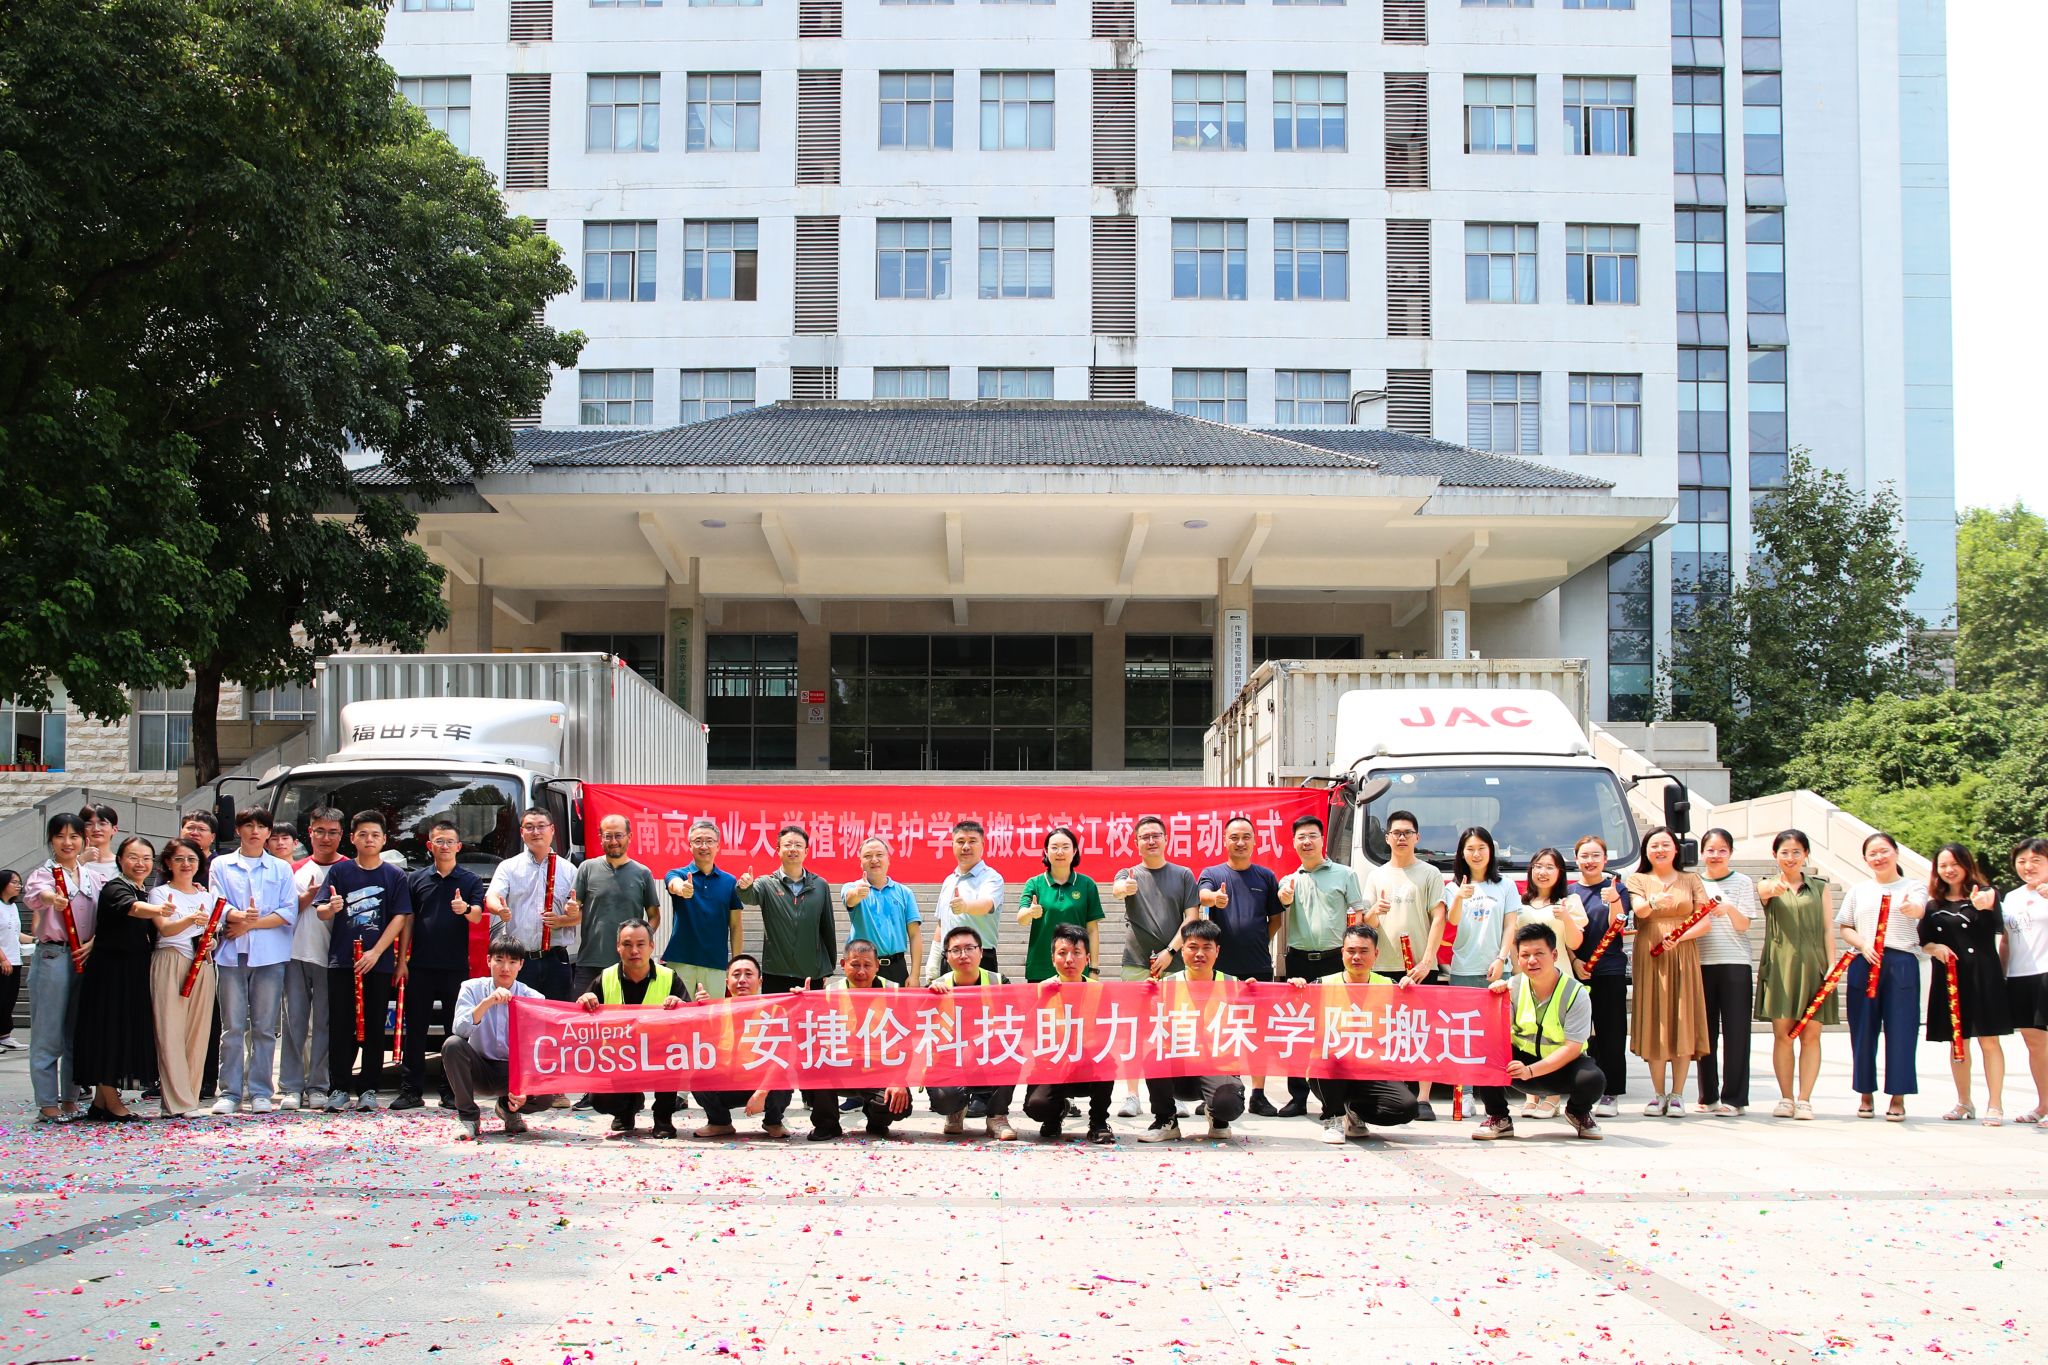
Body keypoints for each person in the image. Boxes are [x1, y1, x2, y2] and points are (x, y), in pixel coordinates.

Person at [1471, 923, 1607, 1142]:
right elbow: (1494, 1034)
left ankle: (1578, 1112)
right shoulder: (1512, 987)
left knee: (1592, 1078)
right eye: (1525, 955)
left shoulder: (1576, 992)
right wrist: (1495, 1002)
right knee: (1485, 1056)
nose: (1531, 960)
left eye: (1539, 954)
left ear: (1554, 955)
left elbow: (1573, 1048)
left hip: (1561, 1068)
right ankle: (1498, 1117)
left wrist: (1531, 1071)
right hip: (1519, 1065)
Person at [1269, 813, 1366, 1118]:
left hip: (1335, 960)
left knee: (1336, 1029)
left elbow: (1358, 915)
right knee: (1298, 1029)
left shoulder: (1345, 874)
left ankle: (1334, 1100)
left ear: (1322, 839)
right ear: (1293, 843)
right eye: (1301, 837)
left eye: (1312, 835)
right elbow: (1282, 900)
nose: (1307, 841)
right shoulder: (1290, 879)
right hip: (1299, 961)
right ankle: (1297, 1097)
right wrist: (1284, 895)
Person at [206, 808, 299, 1117]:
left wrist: (248, 925)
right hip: (231, 955)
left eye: (261, 826)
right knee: (232, 1026)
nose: (255, 831)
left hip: (270, 955)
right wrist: (237, 917)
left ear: (269, 832)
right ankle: (230, 1092)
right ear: (238, 830)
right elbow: (218, 904)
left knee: (264, 1027)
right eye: (248, 825)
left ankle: (260, 1091)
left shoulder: (281, 868)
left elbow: (287, 911)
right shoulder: (221, 864)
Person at [1106, 815, 1201, 1116]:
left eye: (1156, 835)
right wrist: (1124, 887)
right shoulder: (1129, 873)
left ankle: (1177, 1095)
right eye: (1144, 837)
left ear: (1166, 839)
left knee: (1174, 1028)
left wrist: (1170, 951)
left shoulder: (1183, 875)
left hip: (1174, 964)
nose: (1151, 841)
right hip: (1136, 962)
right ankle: (1132, 1095)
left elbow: (1192, 918)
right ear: (1136, 843)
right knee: (1134, 1029)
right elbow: (1117, 888)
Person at [322, 810, 414, 1112]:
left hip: (379, 963)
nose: (369, 839)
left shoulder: (394, 876)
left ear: (384, 839)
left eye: (375, 835)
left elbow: (400, 917)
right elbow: (321, 910)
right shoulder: (339, 872)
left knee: (375, 1027)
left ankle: (369, 1088)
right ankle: (338, 1088)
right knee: (340, 1026)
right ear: (352, 838)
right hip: (342, 962)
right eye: (363, 834)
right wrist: (331, 908)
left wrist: (377, 952)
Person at [1835, 830, 1928, 1121]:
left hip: (1901, 962)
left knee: (1902, 1030)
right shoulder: (1858, 890)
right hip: (1865, 960)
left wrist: (1911, 908)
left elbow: (1920, 909)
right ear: (1865, 859)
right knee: (1863, 1029)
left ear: (1896, 853)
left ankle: (1898, 1096)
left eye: (1884, 851)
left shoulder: (1913, 886)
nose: (1878, 857)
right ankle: (1865, 1093)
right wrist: (1863, 944)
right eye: (1872, 854)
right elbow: (1845, 927)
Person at [1361, 809, 1447, 1117]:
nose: (1401, 837)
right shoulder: (1376, 875)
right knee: (1386, 1032)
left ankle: (1423, 1097)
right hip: (1384, 966)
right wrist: (1375, 911)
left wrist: (1427, 960)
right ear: (1386, 838)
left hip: (1420, 968)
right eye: (1396, 833)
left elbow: (1439, 917)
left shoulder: (1430, 873)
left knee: (1423, 1031)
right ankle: (1392, 1091)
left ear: (1417, 837)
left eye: (1407, 833)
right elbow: (1366, 923)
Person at [399, 818, 489, 1110]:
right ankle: (410, 1090)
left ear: (459, 846)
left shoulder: (470, 880)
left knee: (455, 1031)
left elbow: (477, 915)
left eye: (450, 841)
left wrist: (465, 909)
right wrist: (402, 960)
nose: (445, 846)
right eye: (440, 841)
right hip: (420, 965)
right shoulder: (415, 879)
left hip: (455, 968)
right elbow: (408, 921)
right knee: (415, 1029)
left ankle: (450, 1091)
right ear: (430, 845)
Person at [1920, 843, 2010, 1125]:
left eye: (1954, 864)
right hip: (1950, 980)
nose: (1949, 870)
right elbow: (1924, 941)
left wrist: (1984, 903)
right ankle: (1964, 1102)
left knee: (1989, 1040)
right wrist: (1935, 948)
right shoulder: (1933, 905)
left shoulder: (1984, 894)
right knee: (1957, 1042)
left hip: (1983, 976)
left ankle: (1995, 1104)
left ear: (1966, 865)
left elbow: (1993, 914)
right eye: (1943, 865)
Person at [73, 836, 162, 1121]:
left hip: (133, 971)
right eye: (133, 857)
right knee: (109, 1031)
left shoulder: (142, 890)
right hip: (111, 974)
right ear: (120, 860)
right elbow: (132, 909)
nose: (140, 863)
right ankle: (111, 1101)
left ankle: (101, 1102)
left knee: (122, 1031)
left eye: (146, 858)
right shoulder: (116, 888)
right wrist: (162, 909)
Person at [1623, 826, 1710, 1117]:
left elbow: (1704, 920)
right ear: (1646, 851)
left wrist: (1681, 937)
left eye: (1665, 844)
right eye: (1654, 845)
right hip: (1651, 953)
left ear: (1675, 848)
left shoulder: (1691, 879)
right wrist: (1654, 902)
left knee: (1682, 1017)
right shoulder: (1638, 879)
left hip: (1683, 953)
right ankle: (1658, 1093)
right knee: (1655, 1017)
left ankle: (1678, 1094)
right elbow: (1640, 911)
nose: (1659, 850)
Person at [1306, 923, 1420, 1143]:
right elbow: (1293, 1014)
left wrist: (1412, 993)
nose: (1356, 957)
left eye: (1363, 951)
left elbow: (1417, 1020)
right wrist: (1297, 988)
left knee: (1406, 1107)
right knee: (1329, 1055)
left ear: (1376, 954)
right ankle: (1333, 1117)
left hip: (1372, 1068)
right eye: (1351, 951)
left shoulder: (1390, 986)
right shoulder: (1322, 985)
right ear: (1342, 953)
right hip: (1331, 1069)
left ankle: (1353, 1110)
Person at [575, 918, 687, 1138]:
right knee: (600, 1099)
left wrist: (680, 1005)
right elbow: (581, 1019)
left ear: (651, 946)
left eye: (640, 944)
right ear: (618, 947)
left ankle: (663, 1118)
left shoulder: (669, 977)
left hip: (659, 1055)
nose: (634, 950)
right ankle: (627, 1110)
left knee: (673, 1059)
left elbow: (690, 1019)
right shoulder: (605, 978)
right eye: (627, 944)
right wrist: (584, 1000)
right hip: (619, 1057)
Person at [1751, 828, 1834, 1120]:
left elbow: (1828, 929)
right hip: (1781, 967)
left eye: (1796, 852)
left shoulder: (1820, 888)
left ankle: (1805, 1099)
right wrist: (1775, 889)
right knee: (1782, 1035)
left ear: (1806, 854)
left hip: (1814, 967)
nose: (1790, 857)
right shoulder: (1767, 885)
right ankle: (1786, 1098)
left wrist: (1832, 966)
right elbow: (1765, 893)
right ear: (1774, 855)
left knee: (1812, 1035)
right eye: (1784, 852)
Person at [1138, 919, 1246, 1142]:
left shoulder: (1234, 985)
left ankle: (1218, 1117)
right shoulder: (1165, 986)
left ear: (1217, 951)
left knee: (1227, 1105)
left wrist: (1295, 987)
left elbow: (1264, 1019)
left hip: (1217, 1067)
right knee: (1153, 1057)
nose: (1199, 954)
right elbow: (1145, 1027)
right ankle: (1166, 1120)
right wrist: (1144, 999)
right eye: (1193, 947)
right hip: (1179, 1070)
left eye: (1207, 948)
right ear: (1182, 950)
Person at [1441, 826, 1521, 1121]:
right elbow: (1452, 921)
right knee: (1463, 1033)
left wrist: (1501, 958)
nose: (1476, 854)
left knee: (1496, 1036)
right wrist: (1460, 897)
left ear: (1491, 851)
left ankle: (1494, 1092)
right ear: (1462, 854)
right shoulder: (1453, 888)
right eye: (1470, 849)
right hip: (1463, 969)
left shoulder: (1506, 886)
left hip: (1496, 969)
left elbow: (1510, 925)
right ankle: (1465, 1092)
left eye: (1481, 848)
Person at [26, 813, 100, 1121]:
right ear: (50, 840)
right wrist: (51, 898)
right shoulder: (44, 874)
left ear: (84, 840)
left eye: (73, 836)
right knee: (49, 1033)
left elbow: (104, 915)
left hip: (85, 957)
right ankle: (47, 1103)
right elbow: (35, 896)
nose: (67, 843)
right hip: (53, 957)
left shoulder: (93, 877)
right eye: (60, 836)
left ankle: (70, 1098)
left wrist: (94, 942)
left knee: (76, 1033)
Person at [799, 939, 912, 1141]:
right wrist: (800, 1004)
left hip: (879, 1070)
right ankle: (827, 1125)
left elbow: (907, 1041)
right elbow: (809, 1035)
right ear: (843, 964)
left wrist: (899, 1080)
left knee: (896, 1104)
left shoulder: (894, 992)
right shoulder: (829, 994)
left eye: (867, 965)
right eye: (855, 964)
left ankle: (876, 1121)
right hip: (840, 1069)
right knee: (813, 1067)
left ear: (877, 965)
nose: (861, 971)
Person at [444, 937, 546, 1140]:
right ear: (488, 960)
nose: (505, 968)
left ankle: (508, 1109)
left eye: (512, 962)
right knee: (452, 1045)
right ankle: (468, 1118)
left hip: (514, 1072)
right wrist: (487, 1002)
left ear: (521, 964)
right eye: (499, 960)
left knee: (546, 1095)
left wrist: (525, 1088)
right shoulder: (471, 988)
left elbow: (537, 1048)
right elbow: (459, 1030)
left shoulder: (533, 998)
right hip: (479, 1068)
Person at [1021, 924, 1115, 1144]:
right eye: (1062, 953)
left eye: (1076, 953)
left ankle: (1099, 1122)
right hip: (1051, 1066)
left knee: (1107, 1061)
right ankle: (1054, 1115)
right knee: (1036, 1107)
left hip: (1087, 1066)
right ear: (1053, 959)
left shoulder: (1100, 990)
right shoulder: (1040, 989)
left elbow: (1110, 1034)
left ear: (1088, 958)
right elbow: (1024, 1031)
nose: (1069, 959)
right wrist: (1042, 999)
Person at [924, 926, 1017, 1140]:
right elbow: (922, 1032)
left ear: (981, 952)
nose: (963, 955)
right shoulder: (936, 988)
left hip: (987, 1055)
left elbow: (1017, 1022)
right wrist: (929, 1000)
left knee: (1015, 1050)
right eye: (956, 950)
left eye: (969, 948)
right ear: (946, 956)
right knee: (944, 1097)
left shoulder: (999, 983)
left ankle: (997, 1117)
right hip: (950, 1059)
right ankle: (955, 1111)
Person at [146, 839, 216, 1118]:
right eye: (179, 859)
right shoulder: (160, 894)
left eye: (191, 859)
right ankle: (176, 1102)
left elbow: (211, 931)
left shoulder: (206, 896)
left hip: (202, 963)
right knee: (170, 1032)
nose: (186, 864)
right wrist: (191, 920)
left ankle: (190, 1097)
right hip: (171, 960)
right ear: (168, 863)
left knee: (197, 1033)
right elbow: (165, 929)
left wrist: (211, 942)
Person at [281, 807, 345, 1112]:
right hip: (293, 954)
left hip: (330, 958)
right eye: (320, 831)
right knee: (294, 1022)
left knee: (324, 1024)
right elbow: (280, 912)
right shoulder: (292, 869)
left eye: (332, 832)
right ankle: (291, 1086)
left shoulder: (348, 869)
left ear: (342, 835)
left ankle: (319, 1085)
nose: (325, 838)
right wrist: (308, 897)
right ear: (309, 833)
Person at [691, 953, 794, 1139]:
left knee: (783, 1079)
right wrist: (698, 1012)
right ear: (727, 982)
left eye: (748, 974)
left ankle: (773, 1121)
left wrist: (762, 1092)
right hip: (726, 1083)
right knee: (697, 1077)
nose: (742, 980)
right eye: (736, 975)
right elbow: (697, 1047)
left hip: (762, 1085)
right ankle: (720, 1122)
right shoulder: (714, 1010)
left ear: (760, 981)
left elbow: (783, 1057)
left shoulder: (776, 1011)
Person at [484, 807, 580, 1004]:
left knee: (557, 1014)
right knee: (519, 1015)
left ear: (552, 830)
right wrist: (499, 909)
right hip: (520, 960)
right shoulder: (509, 867)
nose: (535, 832)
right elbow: (492, 896)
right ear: (522, 832)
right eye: (529, 827)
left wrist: (563, 920)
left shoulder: (570, 870)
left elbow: (583, 913)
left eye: (541, 826)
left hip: (556, 959)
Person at [1514, 848, 1583, 1119]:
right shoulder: (1520, 902)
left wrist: (1565, 917)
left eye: (1550, 867)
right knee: (1527, 1031)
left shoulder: (1569, 902)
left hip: (1558, 975)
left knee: (1555, 1035)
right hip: (1525, 977)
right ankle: (1531, 1096)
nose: (1543, 872)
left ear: (1560, 873)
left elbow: (1575, 942)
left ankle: (1552, 1097)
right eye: (1538, 866)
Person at [1568, 834, 1633, 1117]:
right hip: (1577, 971)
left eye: (1596, 855)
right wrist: (1574, 961)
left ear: (1605, 859)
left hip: (1609, 970)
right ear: (1576, 859)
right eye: (1584, 855)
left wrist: (1615, 900)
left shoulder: (1617, 888)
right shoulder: (1570, 892)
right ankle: (1580, 1088)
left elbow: (1617, 926)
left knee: (1611, 1033)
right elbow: (1564, 933)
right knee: (1580, 1035)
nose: (1590, 861)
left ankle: (1611, 1093)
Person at [1694, 828, 1758, 1116]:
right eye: (1710, 849)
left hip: (1735, 962)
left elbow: (1744, 926)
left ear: (1731, 853)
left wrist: (1729, 908)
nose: (1716, 855)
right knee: (1705, 1033)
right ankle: (1708, 1096)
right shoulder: (1694, 882)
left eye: (1722, 850)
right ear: (1702, 853)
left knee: (1736, 1032)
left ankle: (1734, 1099)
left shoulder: (1742, 882)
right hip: (1701, 962)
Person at [734, 824, 836, 993]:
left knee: (810, 1011)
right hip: (776, 972)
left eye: (798, 845)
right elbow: (750, 896)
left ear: (806, 851)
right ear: (778, 850)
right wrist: (744, 887)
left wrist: (827, 968)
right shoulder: (766, 883)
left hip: (811, 972)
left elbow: (827, 928)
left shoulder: (820, 885)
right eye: (788, 845)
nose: (793, 849)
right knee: (775, 1012)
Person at [571, 814, 662, 1000]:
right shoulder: (587, 868)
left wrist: (642, 941)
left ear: (629, 836)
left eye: (619, 835)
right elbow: (574, 906)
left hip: (629, 965)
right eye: (608, 836)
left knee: (624, 1016)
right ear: (601, 838)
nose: (613, 841)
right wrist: (570, 909)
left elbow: (654, 915)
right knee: (582, 1014)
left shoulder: (642, 873)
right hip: (590, 962)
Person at [663, 818, 743, 1001]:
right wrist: (682, 888)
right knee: (678, 1012)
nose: (704, 846)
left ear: (718, 846)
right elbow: (673, 884)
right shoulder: (678, 874)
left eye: (709, 841)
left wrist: (736, 963)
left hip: (715, 963)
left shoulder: (730, 882)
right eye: (698, 841)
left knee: (713, 1014)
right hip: (681, 960)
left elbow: (736, 926)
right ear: (689, 845)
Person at [1017, 826, 1105, 983]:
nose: (1060, 852)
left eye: (1065, 847)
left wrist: (1093, 969)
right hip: (1041, 968)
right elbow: (1021, 919)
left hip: (1077, 969)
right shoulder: (1035, 883)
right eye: (1054, 847)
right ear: (1046, 851)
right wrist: (1030, 912)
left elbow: (1092, 930)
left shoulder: (1087, 884)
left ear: (1075, 851)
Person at [2001, 838, 2048, 1126]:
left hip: (2046, 971)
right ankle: (2043, 1104)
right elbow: (2006, 940)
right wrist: (2001, 974)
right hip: (2020, 976)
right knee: (2034, 1042)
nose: (2028, 866)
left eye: (2036, 861)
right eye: (2022, 861)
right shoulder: (2011, 897)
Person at [926, 819, 1004, 979]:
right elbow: (941, 923)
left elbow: (987, 904)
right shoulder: (949, 880)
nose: (966, 847)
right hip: (949, 957)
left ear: (982, 845)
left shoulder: (992, 877)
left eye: (972, 841)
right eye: (960, 841)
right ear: (952, 845)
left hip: (980, 957)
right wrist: (933, 961)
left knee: (983, 997)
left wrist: (965, 906)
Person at [842, 837, 922, 986]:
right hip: (863, 968)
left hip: (896, 967)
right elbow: (850, 900)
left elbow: (914, 934)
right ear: (860, 862)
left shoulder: (905, 893)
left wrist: (915, 975)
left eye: (879, 855)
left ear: (888, 859)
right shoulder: (851, 887)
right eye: (867, 856)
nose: (874, 860)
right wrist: (858, 893)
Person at [0, 869, 23, 1053]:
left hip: (15, 960)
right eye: (14, 882)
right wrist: (3, 959)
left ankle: (4, 1035)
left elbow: (16, 933)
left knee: (9, 1000)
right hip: (3, 961)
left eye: (19, 882)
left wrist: (36, 939)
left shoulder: (12, 906)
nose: (18, 886)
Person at [80, 804, 120, 880]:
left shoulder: (122, 864)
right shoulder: (72, 861)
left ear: (114, 829)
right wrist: (81, 860)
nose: (96, 829)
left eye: (102, 824)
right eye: (89, 824)